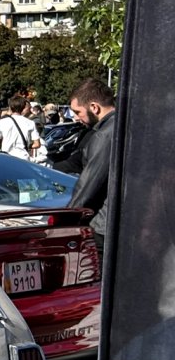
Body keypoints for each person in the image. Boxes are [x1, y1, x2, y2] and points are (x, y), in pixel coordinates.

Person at [68, 77, 117, 260]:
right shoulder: (129, 125)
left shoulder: (103, 136)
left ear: (94, 107)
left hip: (102, 226)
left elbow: (88, 186)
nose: (76, 117)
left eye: (78, 112)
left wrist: (66, 218)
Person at [0, 96, 44, 163]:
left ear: (10, 107)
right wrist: (27, 145)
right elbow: (37, 144)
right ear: (23, 107)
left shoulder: (2, 122)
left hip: (6, 158)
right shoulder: (30, 123)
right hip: (23, 158)